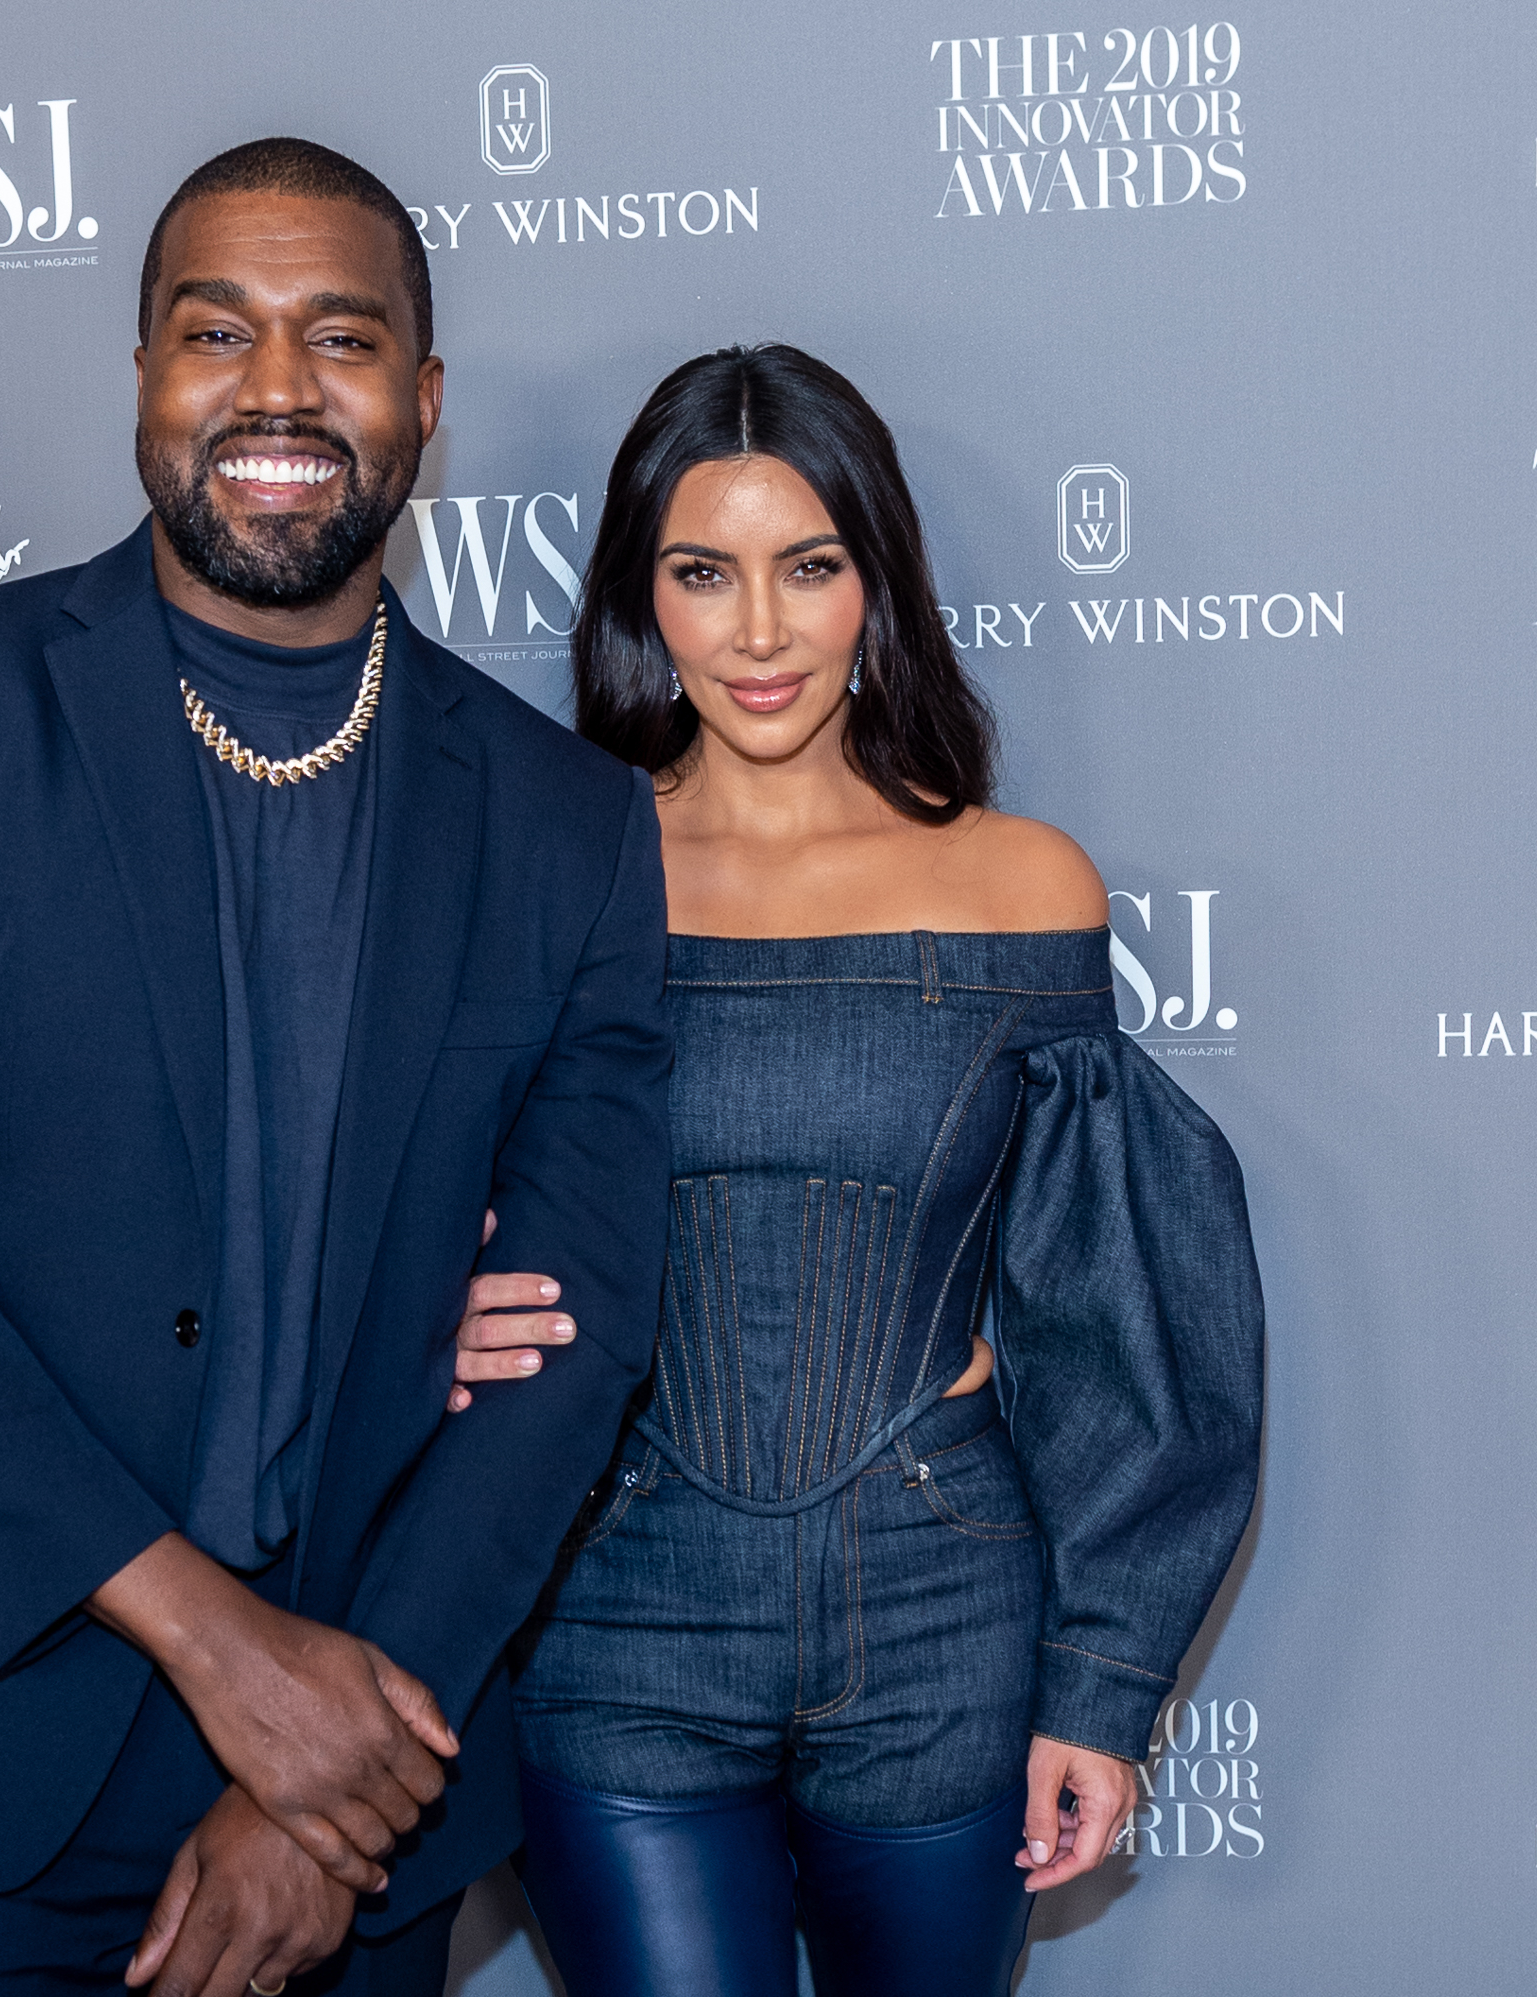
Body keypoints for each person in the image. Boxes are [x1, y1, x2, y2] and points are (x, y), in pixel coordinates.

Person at [0, 138, 671, 1996]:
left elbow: (577, 1335)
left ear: (426, 399)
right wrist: (235, 1659)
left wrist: (338, 1775)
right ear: (142, 374)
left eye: (344, 337)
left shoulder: (567, 826)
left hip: (365, 1792)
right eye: (215, 331)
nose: (281, 391)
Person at [494, 346, 1264, 1994]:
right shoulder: (551, 874)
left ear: (877, 586)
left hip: (943, 1619)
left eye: (810, 567)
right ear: (645, 596)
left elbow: (1110, 1306)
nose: (759, 630)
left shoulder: (1018, 884)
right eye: (704, 572)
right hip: (618, 1603)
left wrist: (1103, 1681)